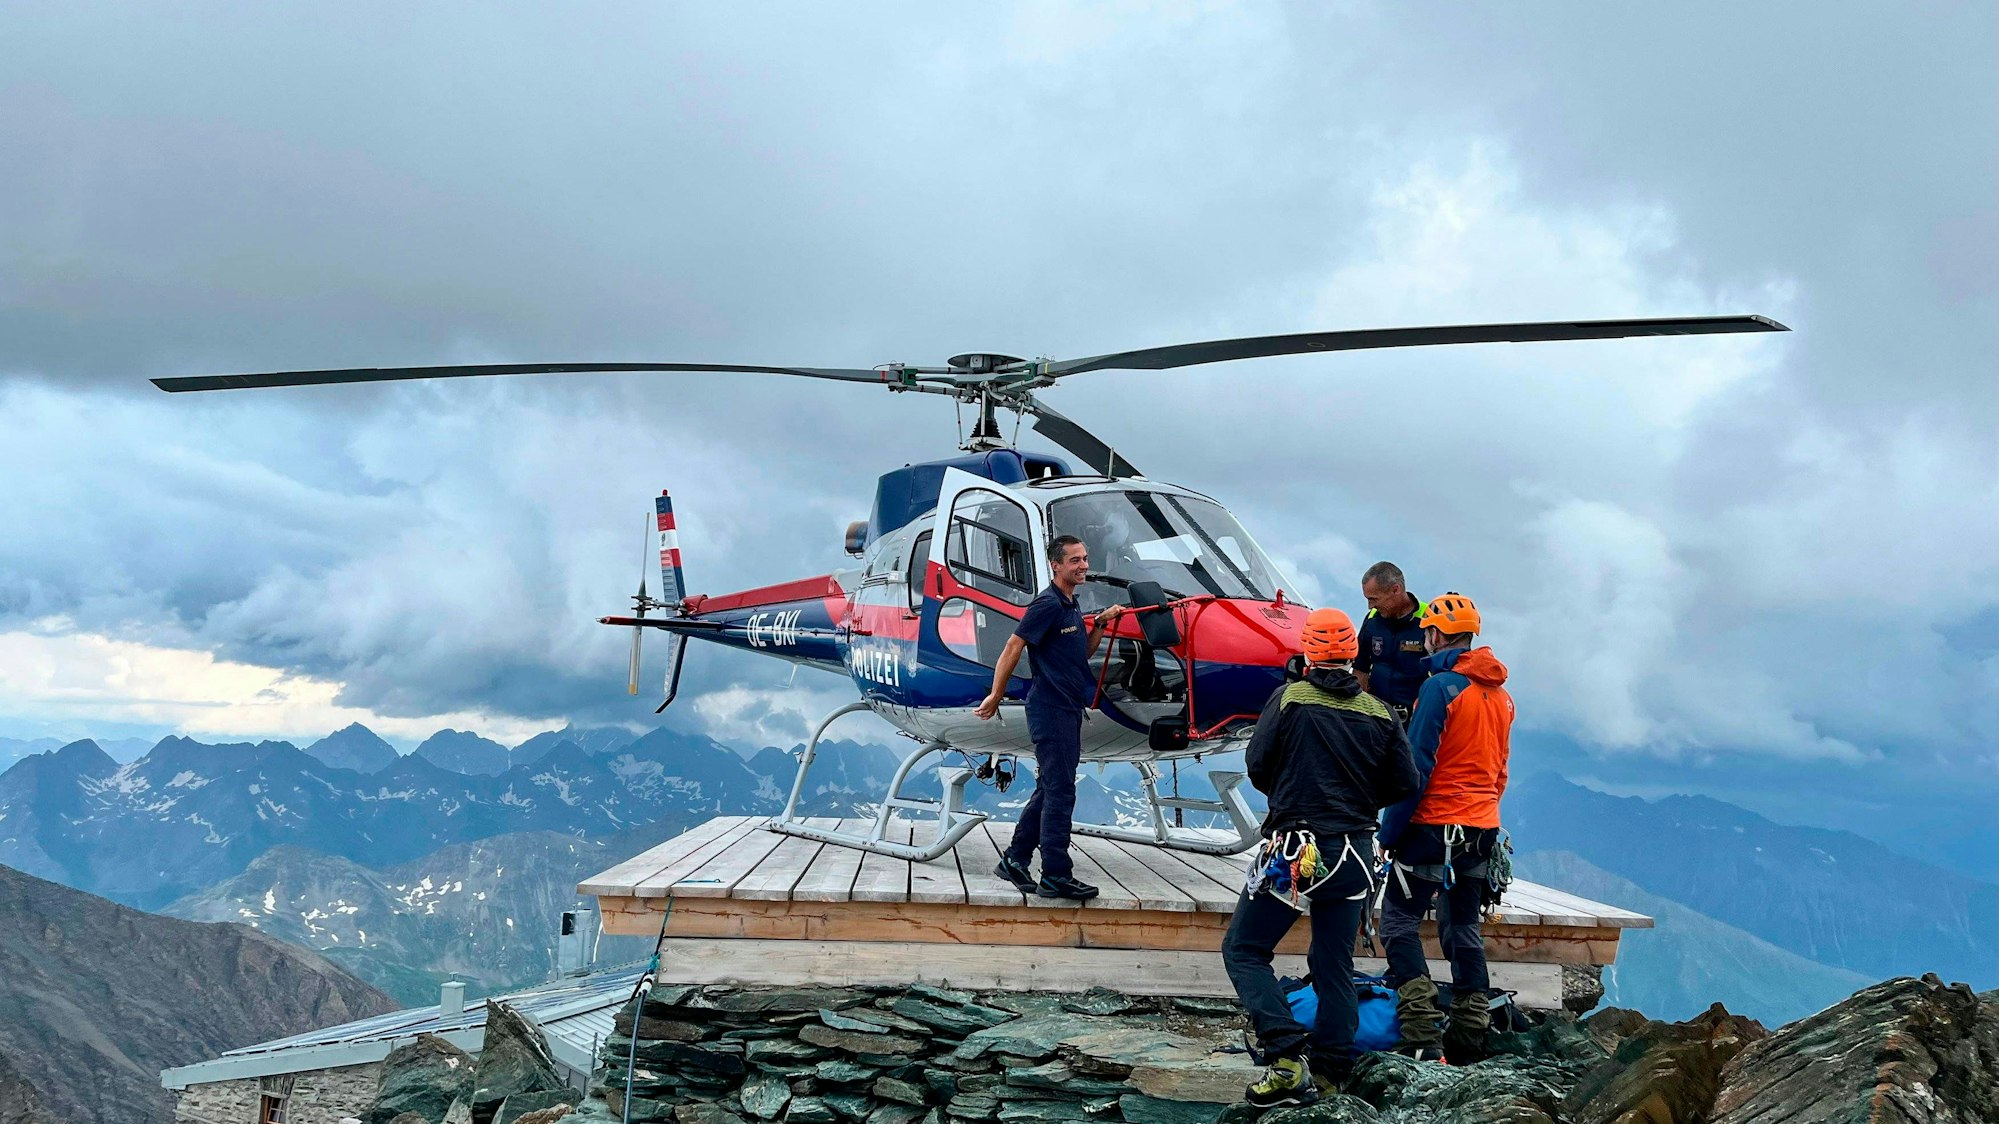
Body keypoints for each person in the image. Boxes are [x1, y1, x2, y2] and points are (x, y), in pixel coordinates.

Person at [1223, 608, 1420, 1106]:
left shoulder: (1289, 699)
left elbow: (1258, 766)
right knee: (1332, 963)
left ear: (1308, 652)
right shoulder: (1380, 712)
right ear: (1353, 653)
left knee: (1245, 949)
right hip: (1355, 854)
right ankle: (1330, 1072)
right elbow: (1405, 783)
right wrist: (1358, 800)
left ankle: (1286, 1057)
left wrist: (1296, 793)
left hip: (1297, 851)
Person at [1376, 592, 1514, 1064]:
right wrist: (1485, 816)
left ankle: (1421, 1033)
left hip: (1432, 825)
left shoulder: (1440, 688)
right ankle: (1470, 1035)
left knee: (1397, 921)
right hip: (1480, 829)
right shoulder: (1501, 696)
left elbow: (1415, 768)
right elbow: (1500, 771)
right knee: (1462, 928)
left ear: (1435, 634)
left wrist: (1389, 833)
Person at [976, 534, 1126, 900]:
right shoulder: (1047, 604)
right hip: (1050, 709)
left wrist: (1100, 625)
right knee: (1061, 791)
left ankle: (1015, 859)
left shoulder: (1070, 604)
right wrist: (996, 695)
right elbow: (1014, 645)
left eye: (1085, 558)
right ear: (1056, 565)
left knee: (1050, 787)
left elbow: (1078, 654)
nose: (1083, 565)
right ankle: (1056, 874)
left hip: (1067, 708)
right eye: (1075, 560)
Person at [1355, 561, 1430, 722]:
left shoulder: (1429, 621)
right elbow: (1360, 669)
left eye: (1374, 599)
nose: (1370, 606)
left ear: (1396, 590)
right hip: (1376, 720)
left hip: (1414, 721)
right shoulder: (1371, 620)